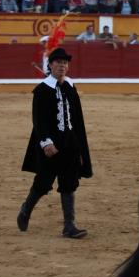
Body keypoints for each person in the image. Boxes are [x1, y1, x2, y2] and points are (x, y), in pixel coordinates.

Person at [17, 48, 93, 239]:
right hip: (51, 145)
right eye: (58, 62)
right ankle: (26, 209)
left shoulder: (69, 86)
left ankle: (69, 226)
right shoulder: (42, 90)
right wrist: (45, 142)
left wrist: (80, 147)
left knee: (69, 183)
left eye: (65, 63)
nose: (62, 65)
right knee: (43, 183)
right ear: (50, 66)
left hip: (70, 143)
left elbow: (77, 119)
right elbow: (39, 119)